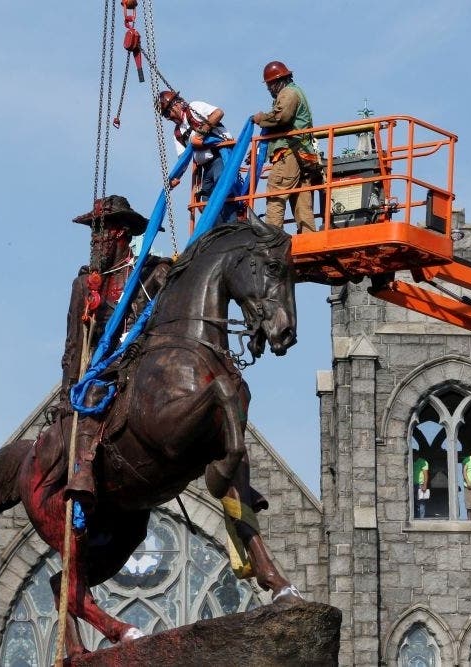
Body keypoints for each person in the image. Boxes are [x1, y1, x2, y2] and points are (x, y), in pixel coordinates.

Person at [61, 195, 171, 509]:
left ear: (120, 233)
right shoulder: (84, 285)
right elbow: (73, 346)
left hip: (147, 357)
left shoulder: (153, 272)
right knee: (93, 397)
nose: (94, 241)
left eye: (100, 232)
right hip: (105, 367)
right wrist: (66, 397)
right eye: (93, 233)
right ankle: (82, 470)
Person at [252, 60, 319, 232]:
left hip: (289, 154)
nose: (269, 89)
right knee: (301, 201)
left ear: (277, 81)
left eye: (269, 85)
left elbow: (281, 117)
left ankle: (270, 242)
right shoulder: (296, 92)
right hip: (301, 156)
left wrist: (261, 119)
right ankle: (309, 240)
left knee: (275, 195)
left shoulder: (288, 93)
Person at [158, 90, 237, 224]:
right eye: (165, 115)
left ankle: (233, 225)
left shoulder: (194, 108)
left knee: (222, 185)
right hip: (206, 167)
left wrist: (201, 132)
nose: (168, 117)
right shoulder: (178, 132)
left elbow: (218, 113)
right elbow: (183, 159)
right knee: (205, 202)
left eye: (168, 112)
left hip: (221, 156)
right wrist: (175, 177)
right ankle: (219, 231)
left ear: (176, 105)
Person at [413, 452, 430, 519]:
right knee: (413, 502)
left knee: (421, 502)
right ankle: (415, 517)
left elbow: (426, 474)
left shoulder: (423, 462)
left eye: (414, 454)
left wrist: (425, 485)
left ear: (417, 455)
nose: (413, 456)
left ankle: (421, 518)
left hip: (420, 484)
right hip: (411, 484)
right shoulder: (410, 461)